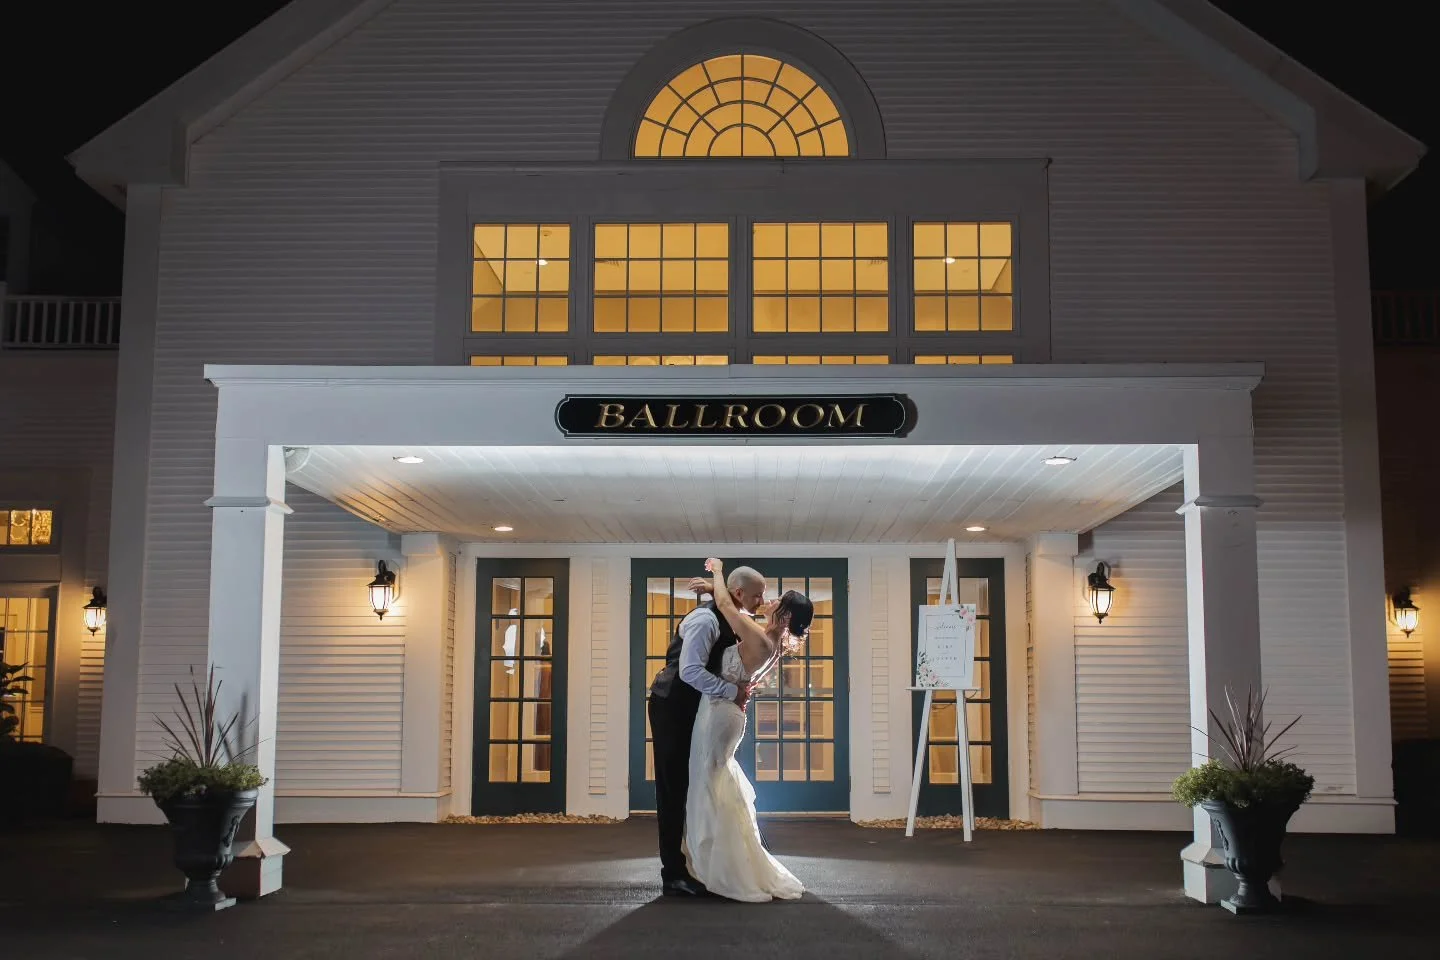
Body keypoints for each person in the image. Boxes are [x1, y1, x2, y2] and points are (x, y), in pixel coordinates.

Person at [682, 558, 812, 903]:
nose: (767, 601)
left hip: (720, 713)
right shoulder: (770, 637)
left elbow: (726, 605)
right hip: (727, 712)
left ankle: (718, 865)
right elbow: (737, 609)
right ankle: (709, 857)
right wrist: (718, 590)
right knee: (715, 780)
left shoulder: (760, 637)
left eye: (775, 601)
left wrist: (717, 572)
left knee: (709, 782)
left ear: (783, 616)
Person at [647, 563, 767, 897]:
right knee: (673, 786)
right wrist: (733, 692)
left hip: (699, 709)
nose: (762, 601)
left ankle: (700, 860)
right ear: (739, 593)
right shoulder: (705, 620)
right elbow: (689, 672)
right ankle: (672, 871)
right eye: (758, 595)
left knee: (701, 782)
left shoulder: (730, 616)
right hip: (672, 705)